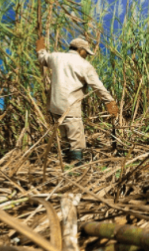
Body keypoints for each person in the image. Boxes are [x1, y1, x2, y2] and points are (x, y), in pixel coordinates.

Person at [36, 36, 118, 165]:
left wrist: (40, 48)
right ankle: (77, 168)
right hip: (70, 106)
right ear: (81, 50)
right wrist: (110, 102)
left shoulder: (56, 57)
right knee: (76, 140)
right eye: (86, 52)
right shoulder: (84, 65)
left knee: (65, 137)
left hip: (54, 105)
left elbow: (42, 59)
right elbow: (97, 86)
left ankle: (67, 164)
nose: (86, 56)